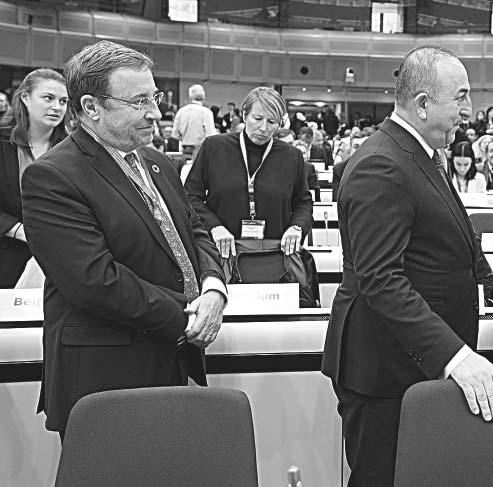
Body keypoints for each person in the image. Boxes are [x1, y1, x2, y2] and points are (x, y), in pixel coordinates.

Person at [321, 46, 493, 487]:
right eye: (460, 97)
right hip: (387, 371)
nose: (469, 109)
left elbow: (445, 242)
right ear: (423, 104)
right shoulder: (382, 164)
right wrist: (456, 357)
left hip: (413, 366)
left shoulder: (419, 154)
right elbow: (381, 280)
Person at [20, 41, 228, 439]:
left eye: (154, 97)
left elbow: (194, 229)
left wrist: (213, 286)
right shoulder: (53, 176)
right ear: (91, 107)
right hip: (106, 374)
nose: (155, 113)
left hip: (171, 360)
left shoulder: (158, 162)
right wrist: (187, 317)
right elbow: (94, 280)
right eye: (138, 101)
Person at [184, 86, 313, 259]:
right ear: (245, 115)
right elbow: (190, 196)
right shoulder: (214, 147)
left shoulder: (291, 156)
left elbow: (303, 202)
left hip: (274, 255)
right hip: (220, 253)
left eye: (272, 122)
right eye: (258, 118)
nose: (263, 128)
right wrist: (214, 226)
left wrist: (296, 227)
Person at [0, 68, 70, 289]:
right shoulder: (2, 142)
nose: (57, 107)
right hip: (7, 253)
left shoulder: (74, 149)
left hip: (61, 258)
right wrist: (20, 231)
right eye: (48, 98)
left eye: (63, 101)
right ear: (25, 97)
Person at [171, 84, 217, 158]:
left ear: (190, 97)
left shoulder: (181, 111)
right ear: (203, 96)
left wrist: (185, 138)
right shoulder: (206, 112)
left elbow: (174, 134)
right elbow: (211, 134)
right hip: (201, 150)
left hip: (185, 149)